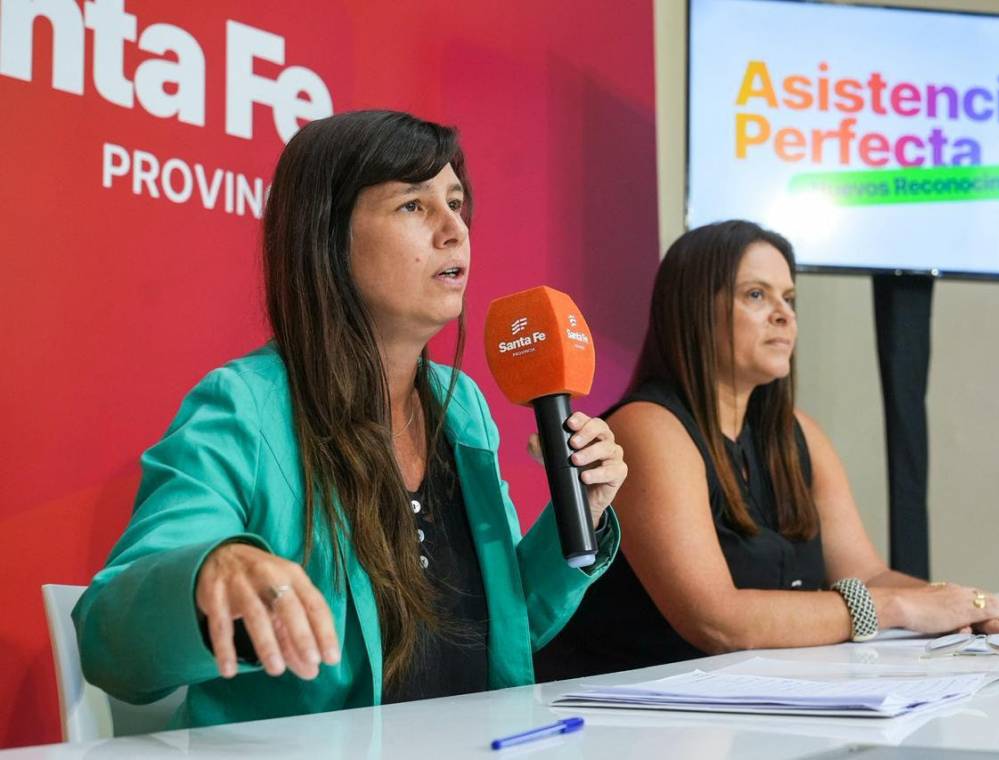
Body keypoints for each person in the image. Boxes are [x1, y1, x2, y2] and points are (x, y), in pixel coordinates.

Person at [72, 110, 626, 727]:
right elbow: (106, 637)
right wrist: (210, 571)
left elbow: (503, 631)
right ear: (328, 238)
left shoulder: (462, 406)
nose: (454, 230)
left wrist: (581, 513)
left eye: (456, 203)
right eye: (413, 206)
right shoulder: (244, 405)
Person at [536, 220, 999, 679]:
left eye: (789, 298)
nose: (783, 314)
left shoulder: (798, 432)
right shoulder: (648, 428)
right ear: (693, 311)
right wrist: (898, 608)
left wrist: (965, 607)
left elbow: (867, 574)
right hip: (633, 717)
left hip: (754, 702)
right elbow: (717, 621)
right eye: (756, 295)